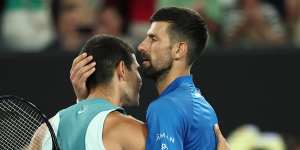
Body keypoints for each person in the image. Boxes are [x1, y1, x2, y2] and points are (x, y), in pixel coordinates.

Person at [72, 7, 229, 150]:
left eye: (153, 39)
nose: (141, 46)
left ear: (179, 50)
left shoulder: (165, 108)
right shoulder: (201, 105)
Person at [30, 34, 146, 150]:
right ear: (122, 69)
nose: (140, 79)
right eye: (136, 69)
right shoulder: (129, 129)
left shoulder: (44, 132)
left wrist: (82, 102)